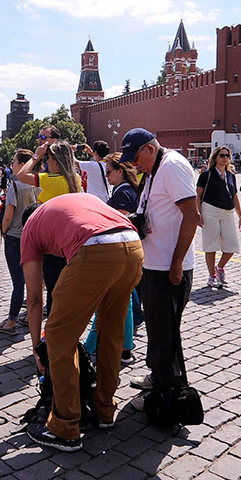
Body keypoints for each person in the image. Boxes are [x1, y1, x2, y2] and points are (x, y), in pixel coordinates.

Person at [21, 193, 144, 451]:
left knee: (57, 335)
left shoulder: (30, 228)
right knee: (111, 330)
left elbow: (33, 298)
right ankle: (104, 410)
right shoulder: (70, 207)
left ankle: (65, 427)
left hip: (96, 248)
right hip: (132, 245)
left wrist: (37, 350)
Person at [119, 129, 200, 404]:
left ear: (150, 149)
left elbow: (192, 216)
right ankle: (158, 377)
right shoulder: (155, 170)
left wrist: (176, 263)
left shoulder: (172, 166)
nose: (134, 165)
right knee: (156, 328)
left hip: (169, 267)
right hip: (155, 264)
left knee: (165, 333)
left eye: (136, 158)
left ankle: (167, 394)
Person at [83, 152, 142, 363]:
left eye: (109, 172)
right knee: (123, 301)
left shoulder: (122, 193)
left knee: (107, 302)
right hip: (131, 251)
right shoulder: (129, 190)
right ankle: (125, 347)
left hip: (117, 251)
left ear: (120, 171)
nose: (107, 176)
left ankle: (90, 347)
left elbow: (119, 223)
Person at [14, 138, 83, 314]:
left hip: (50, 241)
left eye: (49, 159)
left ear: (56, 161)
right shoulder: (75, 178)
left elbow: (21, 175)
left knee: (52, 288)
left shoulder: (51, 179)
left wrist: (36, 155)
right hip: (69, 239)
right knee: (63, 287)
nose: (47, 162)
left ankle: (51, 331)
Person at [0, 150, 40, 334]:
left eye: (14, 161)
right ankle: (31, 317)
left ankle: (11, 321)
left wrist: (4, 232)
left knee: (18, 282)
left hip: (15, 237)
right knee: (34, 282)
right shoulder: (39, 184)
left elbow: (8, 215)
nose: (12, 164)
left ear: (22, 165)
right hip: (33, 238)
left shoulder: (15, 186)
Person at [197, 146, 241, 289]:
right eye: (222, 155)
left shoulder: (231, 175)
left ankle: (220, 268)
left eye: (227, 156)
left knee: (231, 245)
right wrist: (198, 213)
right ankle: (211, 276)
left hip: (227, 212)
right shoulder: (207, 174)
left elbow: (234, 196)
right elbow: (198, 195)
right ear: (215, 157)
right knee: (211, 245)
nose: (225, 158)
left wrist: (240, 215)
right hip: (210, 210)